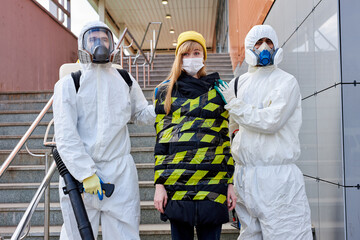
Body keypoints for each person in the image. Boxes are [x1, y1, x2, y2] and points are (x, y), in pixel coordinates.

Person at [53, 21, 156, 240]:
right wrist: (86, 173)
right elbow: (65, 136)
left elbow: (139, 114)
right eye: (93, 39)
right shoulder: (70, 84)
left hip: (119, 173)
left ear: (112, 44)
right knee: (76, 235)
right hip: (79, 177)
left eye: (104, 39)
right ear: (83, 44)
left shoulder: (124, 79)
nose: (99, 44)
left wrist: (163, 106)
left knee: (124, 234)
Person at [215, 24, 313, 240]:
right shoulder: (238, 84)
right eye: (258, 43)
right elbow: (232, 129)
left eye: (269, 42)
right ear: (250, 47)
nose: (265, 47)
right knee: (250, 235)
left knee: (287, 234)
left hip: (278, 179)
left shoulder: (286, 82)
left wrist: (236, 106)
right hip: (245, 177)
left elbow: (272, 121)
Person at [153, 30, 237, 240]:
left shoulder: (218, 91)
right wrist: (159, 185)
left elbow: (225, 142)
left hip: (212, 184)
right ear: (179, 58)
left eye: (196, 52)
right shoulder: (166, 92)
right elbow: (161, 144)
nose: (191, 58)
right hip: (177, 186)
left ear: (203, 57)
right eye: (186, 54)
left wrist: (230, 183)